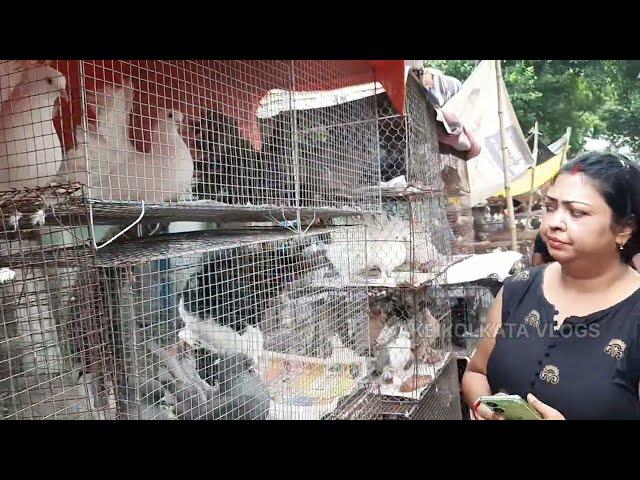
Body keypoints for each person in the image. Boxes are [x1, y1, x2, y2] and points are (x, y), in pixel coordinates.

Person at [462, 152, 640, 420]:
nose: (554, 223)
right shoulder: (517, 289)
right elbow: (476, 372)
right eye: (550, 207)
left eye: (577, 212)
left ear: (624, 229)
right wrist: (483, 407)